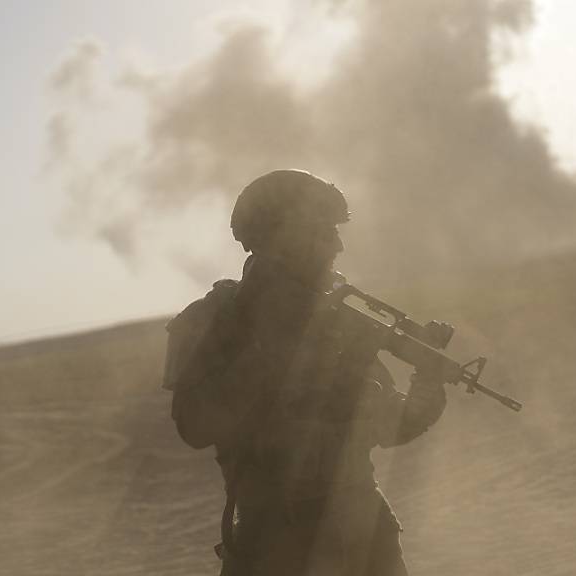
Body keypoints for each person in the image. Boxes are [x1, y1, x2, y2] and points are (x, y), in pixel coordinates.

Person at [162, 169, 448, 575]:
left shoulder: (337, 320)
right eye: (324, 232)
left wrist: (429, 376)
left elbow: (391, 426)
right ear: (285, 238)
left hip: (365, 544)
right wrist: (273, 354)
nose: (337, 245)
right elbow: (194, 426)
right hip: (275, 549)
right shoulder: (217, 322)